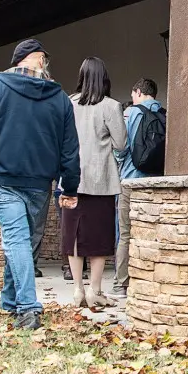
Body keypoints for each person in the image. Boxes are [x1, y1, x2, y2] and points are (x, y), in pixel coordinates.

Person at [0, 38, 80, 330]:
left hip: (3, 178)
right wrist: (70, 185)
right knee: (22, 240)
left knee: (20, 241)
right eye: (43, 58)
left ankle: (18, 303)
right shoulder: (59, 98)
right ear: (36, 59)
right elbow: (70, 148)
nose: (45, 63)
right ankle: (21, 304)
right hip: (39, 182)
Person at [62, 57, 127, 309]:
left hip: (71, 178)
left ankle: (77, 289)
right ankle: (95, 290)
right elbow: (121, 143)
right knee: (99, 236)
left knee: (73, 235)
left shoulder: (69, 104)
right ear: (104, 77)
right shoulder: (111, 106)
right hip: (101, 179)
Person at [113, 77, 163, 298]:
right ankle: (148, 280)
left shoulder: (131, 112)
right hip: (155, 182)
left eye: (133, 94)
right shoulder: (164, 113)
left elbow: (121, 146)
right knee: (151, 233)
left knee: (125, 233)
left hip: (131, 179)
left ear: (138, 92)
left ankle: (121, 283)